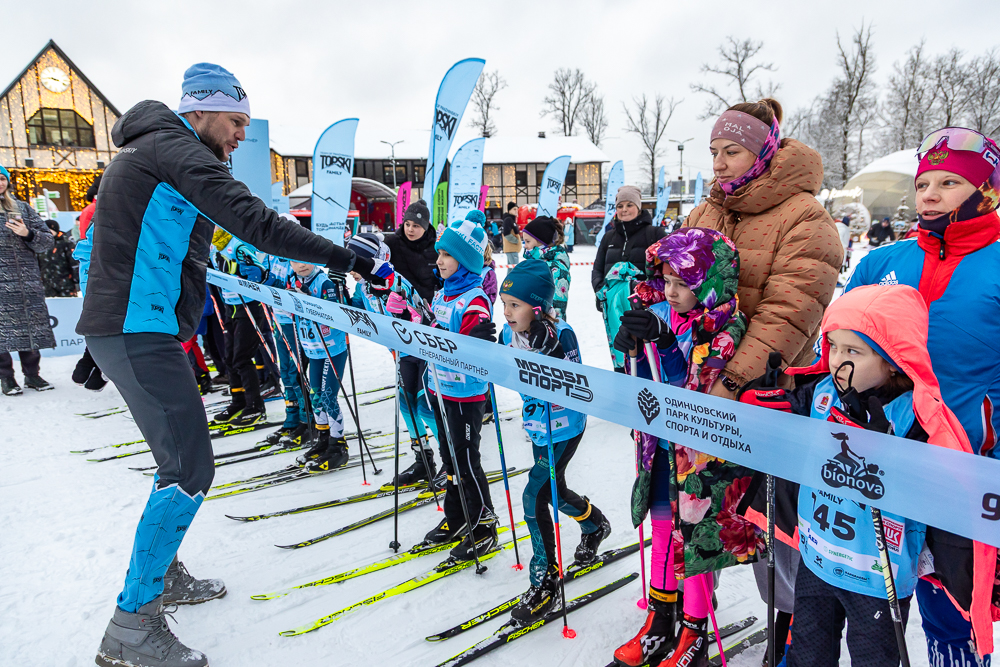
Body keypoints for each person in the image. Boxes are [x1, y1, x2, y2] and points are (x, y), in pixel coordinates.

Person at [81, 63, 388, 667]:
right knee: (188, 468)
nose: (242, 135)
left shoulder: (158, 153)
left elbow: (206, 236)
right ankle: (131, 626)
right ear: (198, 110)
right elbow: (254, 221)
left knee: (177, 462)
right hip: (138, 327)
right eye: (235, 121)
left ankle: (160, 576)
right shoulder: (174, 149)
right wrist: (347, 258)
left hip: (136, 324)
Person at [743, 284, 972, 666]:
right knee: (807, 654)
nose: (836, 361)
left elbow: (943, 491)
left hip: (877, 576)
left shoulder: (915, 417)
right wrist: (766, 404)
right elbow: (784, 426)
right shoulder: (820, 393)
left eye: (853, 351)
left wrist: (887, 452)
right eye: (833, 346)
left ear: (893, 360)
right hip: (817, 558)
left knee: (873, 659)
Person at [845, 126, 1000, 665]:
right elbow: (838, 353)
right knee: (879, 598)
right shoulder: (880, 262)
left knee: (955, 606)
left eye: (949, 183)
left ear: (986, 191)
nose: (930, 194)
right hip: (883, 460)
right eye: (923, 184)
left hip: (967, 466)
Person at [612, 229, 763, 667]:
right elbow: (644, 384)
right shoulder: (662, 310)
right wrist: (631, 350)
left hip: (699, 461)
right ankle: (660, 621)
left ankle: (694, 631)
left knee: (694, 543)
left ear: (709, 282)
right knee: (662, 530)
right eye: (666, 281)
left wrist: (663, 343)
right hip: (659, 447)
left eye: (683, 284)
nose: (671, 292)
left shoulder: (725, 328)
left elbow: (693, 395)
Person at [490, 259, 611, 626]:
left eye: (515, 305)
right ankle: (594, 523)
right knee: (552, 491)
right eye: (504, 304)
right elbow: (505, 369)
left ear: (538, 307)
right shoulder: (510, 334)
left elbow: (578, 384)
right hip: (538, 426)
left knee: (535, 495)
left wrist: (553, 353)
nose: (507, 312)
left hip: (565, 427)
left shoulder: (563, 333)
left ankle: (545, 579)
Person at [421, 218, 499, 561]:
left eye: (447, 255)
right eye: (439, 253)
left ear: (465, 260)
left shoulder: (475, 299)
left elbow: (471, 350)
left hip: (465, 394)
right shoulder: (444, 292)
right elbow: (433, 329)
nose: (439, 260)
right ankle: (457, 517)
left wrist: (470, 340)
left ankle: (484, 527)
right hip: (440, 387)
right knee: (450, 458)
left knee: (467, 461)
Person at [384, 201, 442, 484]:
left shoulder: (437, 248)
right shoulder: (392, 243)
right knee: (406, 402)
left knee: (426, 405)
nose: (410, 229)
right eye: (407, 224)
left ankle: (451, 460)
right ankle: (423, 458)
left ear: (426, 226)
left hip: (430, 333)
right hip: (404, 331)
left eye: (416, 225)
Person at [593, 185, 667, 371]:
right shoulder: (608, 237)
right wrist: (601, 291)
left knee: (649, 357)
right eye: (620, 206)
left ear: (639, 207)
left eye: (629, 205)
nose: (624, 210)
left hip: (646, 307)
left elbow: (666, 269)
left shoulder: (655, 233)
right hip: (613, 305)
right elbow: (598, 269)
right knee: (620, 348)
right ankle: (622, 378)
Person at [287, 259, 350, 472]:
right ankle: (324, 438)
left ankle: (338, 445)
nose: (300, 265)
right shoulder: (292, 280)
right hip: (313, 349)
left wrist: (310, 302)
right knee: (315, 395)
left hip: (332, 348)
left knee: (328, 396)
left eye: (304, 260)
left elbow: (334, 313)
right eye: (294, 261)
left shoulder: (324, 282)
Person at [0, 164, 55, 396]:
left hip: (26, 282)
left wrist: (27, 234)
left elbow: (47, 241)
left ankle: (33, 375)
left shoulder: (23, 208)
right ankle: (6, 378)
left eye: (2, 178)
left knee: (30, 328)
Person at [211, 230, 270, 427]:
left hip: (249, 306)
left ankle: (255, 405)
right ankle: (238, 401)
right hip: (231, 307)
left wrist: (245, 272)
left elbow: (260, 271)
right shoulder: (213, 248)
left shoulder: (236, 246)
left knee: (242, 358)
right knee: (229, 357)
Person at [521, 215, 571, 321]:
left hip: (545, 326)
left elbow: (557, 309)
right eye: (524, 241)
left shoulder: (557, 270)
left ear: (541, 242)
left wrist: (548, 326)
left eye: (528, 241)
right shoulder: (533, 262)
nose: (525, 246)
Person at [36, 218, 78, 297]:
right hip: (46, 283)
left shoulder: (65, 243)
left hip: (65, 282)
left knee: (68, 302)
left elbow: (74, 262)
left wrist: (76, 279)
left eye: (50, 231)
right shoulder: (39, 244)